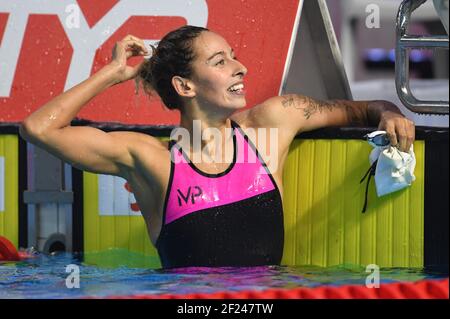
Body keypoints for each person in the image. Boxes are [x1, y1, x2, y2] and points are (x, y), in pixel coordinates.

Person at [20, 25, 415, 269]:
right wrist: (113, 73)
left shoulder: (272, 125)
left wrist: (390, 113)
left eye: (235, 57)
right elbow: (38, 128)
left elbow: (364, 108)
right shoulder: (151, 161)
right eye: (220, 61)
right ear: (185, 86)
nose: (240, 68)